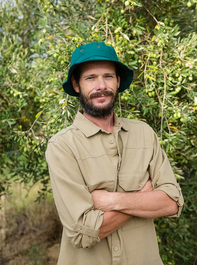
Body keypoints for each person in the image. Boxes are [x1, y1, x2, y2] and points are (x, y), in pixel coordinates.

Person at [45, 42, 184, 265]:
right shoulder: (62, 146)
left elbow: (172, 202)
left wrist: (110, 200)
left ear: (118, 82)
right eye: (90, 78)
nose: (101, 85)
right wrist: (143, 197)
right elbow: (82, 233)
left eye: (108, 76)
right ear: (76, 84)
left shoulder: (144, 134)